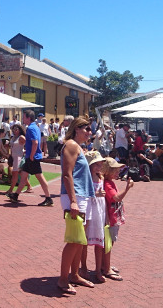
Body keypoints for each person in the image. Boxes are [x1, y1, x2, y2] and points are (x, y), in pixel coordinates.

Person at [57, 117, 95, 295]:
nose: (90, 132)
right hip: (75, 197)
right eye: (86, 129)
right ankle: (63, 279)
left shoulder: (78, 146)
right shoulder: (71, 145)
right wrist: (73, 200)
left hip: (82, 196)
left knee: (80, 240)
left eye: (90, 129)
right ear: (77, 129)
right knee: (74, 239)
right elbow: (67, 175)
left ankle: (74, 274)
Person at [7, 110, 53, 206]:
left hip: (33, 157)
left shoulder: (31, 128)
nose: (23, 119)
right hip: (31, 156)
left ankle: (48, 198)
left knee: (39, 177)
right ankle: (15, 195)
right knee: (23, 176)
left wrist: (32, 155)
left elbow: (35, 142)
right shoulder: (34, 127)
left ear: (28, 118)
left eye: (24, 117)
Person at [102, 157, 134, 281]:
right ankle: (106, 268)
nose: (118, 172)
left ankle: (106, 264)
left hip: (113, 216)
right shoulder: (107, 183)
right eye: (114, 170)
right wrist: (127, 189)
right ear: (107, 171)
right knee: (109, 242)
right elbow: (116, 198)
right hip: (111, 218)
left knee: (110, 242)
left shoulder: (110, 182)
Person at [81, 151, 107, 283]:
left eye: (100, 164)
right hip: (89, 210)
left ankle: (98, 270)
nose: (99, 167)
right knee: (84, 241)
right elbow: (84, 194)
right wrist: (96, 194)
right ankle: (83, 268)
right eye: (95, 164)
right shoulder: (86, 178)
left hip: (99, 211)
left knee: (99, 241)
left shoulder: (101, 177)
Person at [6, 124, 32, 195]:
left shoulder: (21, 137)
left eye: (16, 129)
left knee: (15, 174)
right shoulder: (14, 137)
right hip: (14, 156)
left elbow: (29, 144)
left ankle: (11, 190)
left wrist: (25, 151)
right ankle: (29, 186)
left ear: (20, 130)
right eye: (13, 129)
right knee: (20, 173)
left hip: (18, 157)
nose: (14, 131)